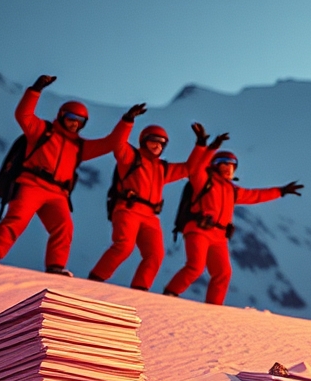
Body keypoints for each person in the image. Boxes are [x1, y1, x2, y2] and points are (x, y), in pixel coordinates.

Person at [0, 74, 145, 275]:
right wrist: (35, 90)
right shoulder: (42, 131)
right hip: (31, 184)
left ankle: (56, 267)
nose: (74, 123)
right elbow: (23, 115)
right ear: (61, 115)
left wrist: (127, 121)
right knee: (16, 219)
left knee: (64, 227)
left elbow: (111, 143)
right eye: (71, 118)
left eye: (80, 120)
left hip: (58, 194)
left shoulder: (80, 146)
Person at [162, 132, 303, 305]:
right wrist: (211, 147)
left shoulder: (232, 190)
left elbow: (255, 195)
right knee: (195, 266)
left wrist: (280, 191)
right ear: (214, 165)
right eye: (224, 164)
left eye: (232, 165)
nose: (228, 168)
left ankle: (213, 308)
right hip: (199, 230)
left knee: (223, 273)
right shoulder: (203, 181)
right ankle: (169, 294)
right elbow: (196, 168)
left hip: (219, 237)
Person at [87, 122, 225, 290]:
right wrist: (127, 121)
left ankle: (140, 289)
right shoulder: (131, 158)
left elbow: (190, 168)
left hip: (150, 216)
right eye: (153, 141)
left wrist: (202, 145)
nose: (157, 146)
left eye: (162, 143)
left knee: (155, 254)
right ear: (144, 141)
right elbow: (118, 142)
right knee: (124, 246)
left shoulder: (163, 168)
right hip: (128, 209)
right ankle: (95, 279)